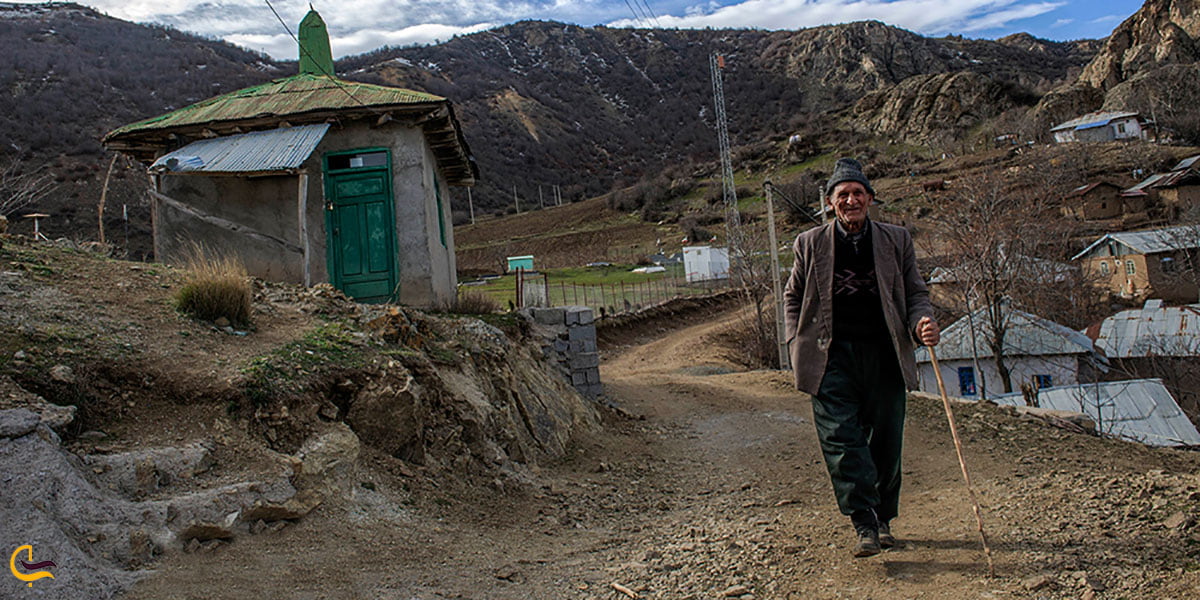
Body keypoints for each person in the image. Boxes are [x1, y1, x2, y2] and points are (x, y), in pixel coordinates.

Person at [782, 157, 940, 558]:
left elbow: (916, 293)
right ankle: (865, 523)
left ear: (869, 198)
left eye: (857, 193)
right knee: (842, 440)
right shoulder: (810, 243)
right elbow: (792, 297)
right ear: (831, 203)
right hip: (830, 357)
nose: (850, 200)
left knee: (886, 439)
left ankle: (884, 517)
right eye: (842, 195)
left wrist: (923, 321)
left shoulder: (896, 240)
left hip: (885, 352)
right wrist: (794, 340)